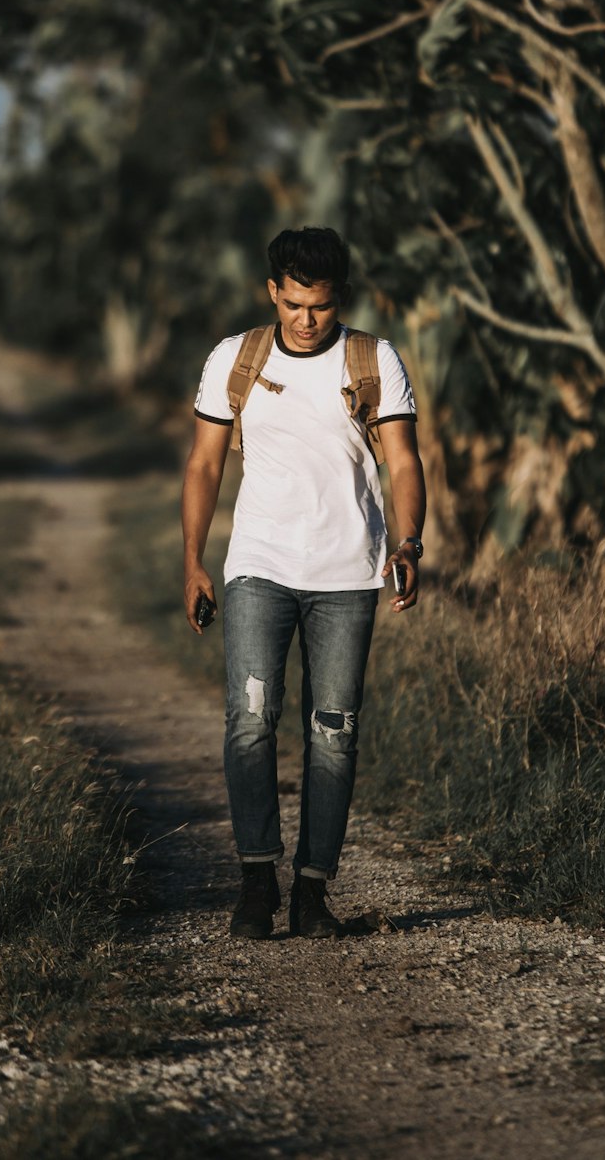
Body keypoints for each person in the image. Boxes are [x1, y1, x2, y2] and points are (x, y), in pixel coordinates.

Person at [182, 226, 427, 940]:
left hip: (349, 573)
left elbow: (404, 463)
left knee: (334, 734)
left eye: (318, 305)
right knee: (251, 724)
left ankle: (313, 891)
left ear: (338, 299)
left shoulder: (373, 359)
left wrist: (408, 543)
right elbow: (203, 465)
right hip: (259, 566)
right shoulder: (237, 358)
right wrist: (194, 560)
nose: (305, 319)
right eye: (292, 303)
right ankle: (256, 881)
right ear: (272, 293)